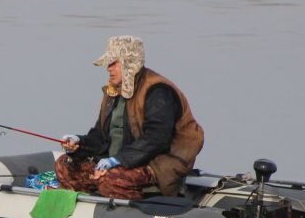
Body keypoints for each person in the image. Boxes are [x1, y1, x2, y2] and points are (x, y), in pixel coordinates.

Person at [55, 35, 204, 200]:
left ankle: (137, 209)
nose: (108, 68)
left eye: (113, 63)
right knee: (64, 165)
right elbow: (101, 136)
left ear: (130, 64)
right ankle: (94, 203)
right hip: (120, 159)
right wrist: (79, 144)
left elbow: (157, 139)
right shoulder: (114, 91)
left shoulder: (158, 91)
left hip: (159, 163)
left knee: (112, 179)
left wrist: (118, 160)